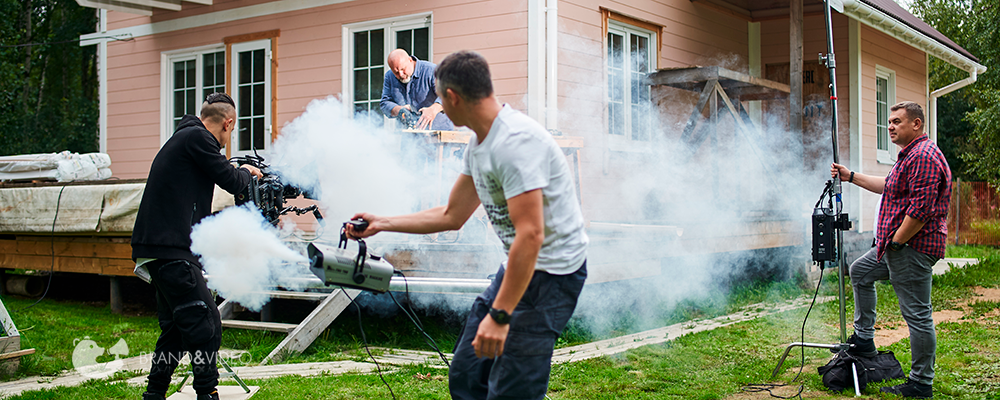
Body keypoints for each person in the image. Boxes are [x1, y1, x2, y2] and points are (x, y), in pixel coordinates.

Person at [348, 50, 588, 400]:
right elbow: (451, 215)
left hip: (554, 274)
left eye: (439, 99)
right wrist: (381, 222)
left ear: (451, 99)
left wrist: (501, 315)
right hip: (519, 267)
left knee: (512, 390)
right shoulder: (479, 144)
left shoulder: (516, 143)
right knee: (466, 374)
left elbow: (531, 235)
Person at [132, 93, 263, 400]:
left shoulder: (185, 138)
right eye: (229, 133)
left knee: (177, 329)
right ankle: (207, 393)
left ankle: (154, 395)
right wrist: (249, 173)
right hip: (170, 249)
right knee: (206, 322)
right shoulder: (198, 138)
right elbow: (231, 179)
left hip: (159, 248)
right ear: (227, 123)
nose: (225, 141)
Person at [831, 101, 951, 399]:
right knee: (860, 270)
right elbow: (889, 185)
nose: (891, 126)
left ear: (917, 124)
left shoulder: (923, 156)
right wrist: (851, 176)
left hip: (911, 247)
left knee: (917, 315)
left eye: (897, 121)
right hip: (895, 247)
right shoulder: (909, 155)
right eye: (889, 122)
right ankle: (864, 340)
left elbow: (921, 209)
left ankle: (921, 384)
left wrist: (897, 242)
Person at [380, 48, 454, 131]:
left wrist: (433, 110)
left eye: (403, 69)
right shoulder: (389, 76)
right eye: (396, 72)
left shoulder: (431, 70)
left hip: (439, 133)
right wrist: (399, 110)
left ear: (410, 60)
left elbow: (449, 94)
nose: (401, 75)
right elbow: (384, 103)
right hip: (410, 136)